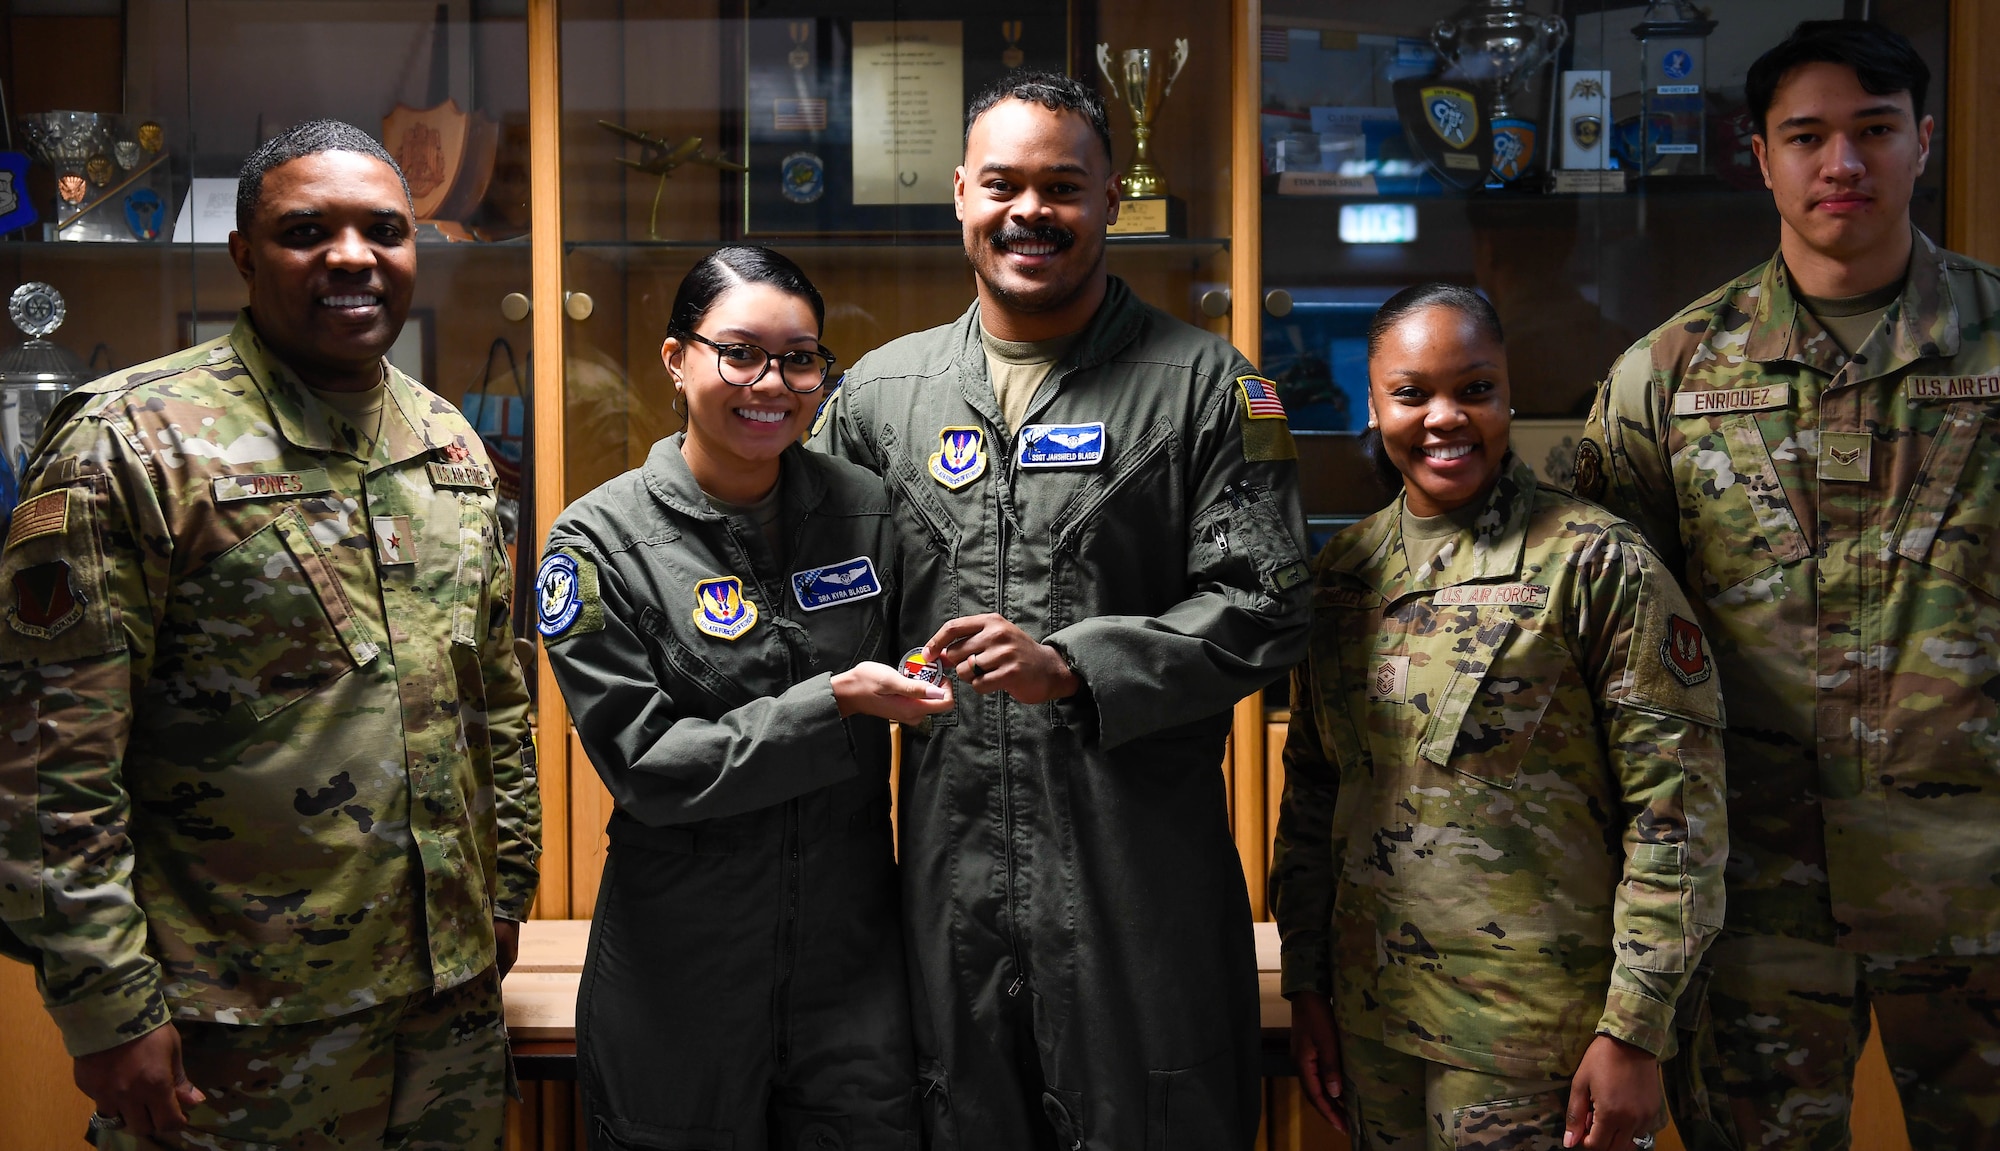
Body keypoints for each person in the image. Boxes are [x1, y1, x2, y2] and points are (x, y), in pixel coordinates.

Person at [0, 119, 539, 1148]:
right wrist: (107, 1001)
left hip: (446, 1011)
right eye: (305, 231)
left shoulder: (451, 444)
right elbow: (47, 757)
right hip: (231, 1025)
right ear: (245, 252)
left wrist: (504, 896)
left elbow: (498, 699)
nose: (351, 256)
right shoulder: (133, 443)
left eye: (384, 229)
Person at [811, 72, 1313, 1150]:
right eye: (1002, 183)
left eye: (1061, 186)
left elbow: (1266, 601)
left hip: (1136, 882)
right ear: (959, 194)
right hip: (944, 882)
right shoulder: (874, 399)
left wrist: (1076, 664)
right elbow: (817, 608)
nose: (1028, 210)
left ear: (1105, 201)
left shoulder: (1212, 387)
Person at [1575, 20, 2000, 1149]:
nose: (1840, 164)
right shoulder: (1665, 376)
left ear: (1921, 143)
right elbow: (1600, 655)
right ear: (1757, 157)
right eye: (1804, 136)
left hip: (1977, 896)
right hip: (1751, 902)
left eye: (1872, 131)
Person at [1270, 283, 1728, 1151]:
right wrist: (1307, 987)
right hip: (1377, 1024)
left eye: (1474, 388)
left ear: (1507, 392)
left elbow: (1679, 818)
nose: (1445, 417)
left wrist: (1636, 1029)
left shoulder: (1595, 563)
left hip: (1537, 1041)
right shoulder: (1343, 572)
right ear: (1373, 401)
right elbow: (1312, 801)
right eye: (1411, 393)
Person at [539, 246, 954, 1151]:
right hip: (679, 975)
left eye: (800, 358)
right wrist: (834, 701)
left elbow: (935, 664)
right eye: (739, 352)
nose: (772, 383)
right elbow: (649, 766)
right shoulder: (596, 543)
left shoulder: (869, 512)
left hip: (851, 974)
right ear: (675, 358)